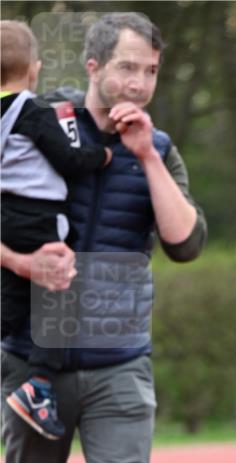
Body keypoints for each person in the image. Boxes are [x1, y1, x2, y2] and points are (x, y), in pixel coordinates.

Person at [1, 13, 207, 463]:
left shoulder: (161, 147)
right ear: (91, 67)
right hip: (34, 363)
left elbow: (184, 243)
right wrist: (22, 261)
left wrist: (148, 157)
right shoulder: (33, 126)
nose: (139, 84)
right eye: (127, 69)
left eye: (149, 71)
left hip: (122, 367)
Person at [1, 20, 113, 440]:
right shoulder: (31, 110)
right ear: (33, 69)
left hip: (5, 217)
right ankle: (39, 385)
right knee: (62, 293)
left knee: (12, 295)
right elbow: (67, 157)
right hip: (38, 218)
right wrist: (99, 155)